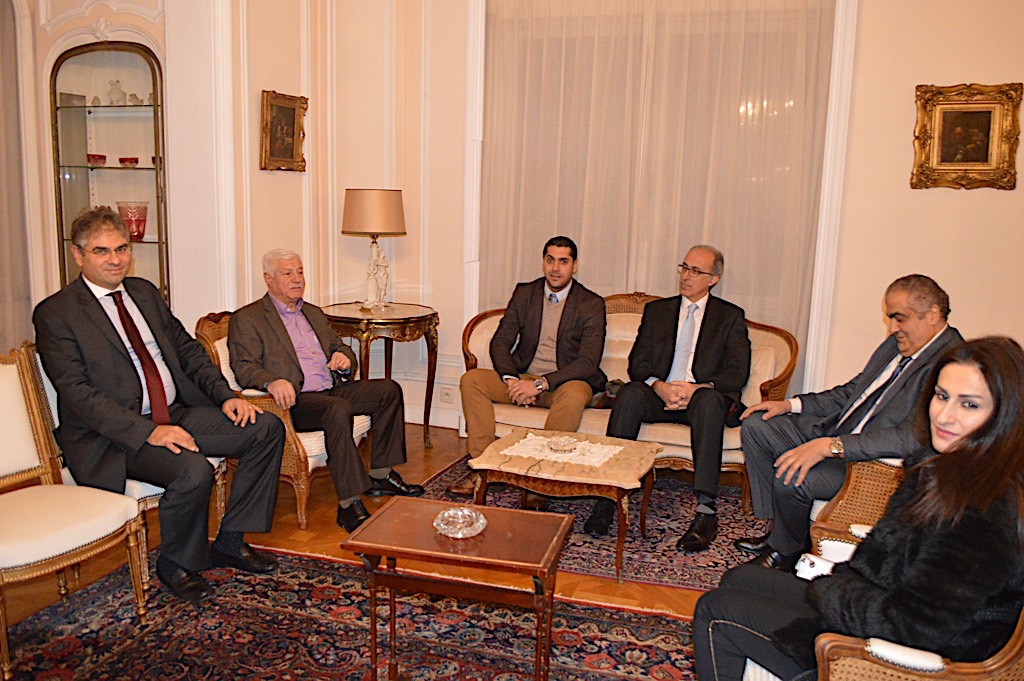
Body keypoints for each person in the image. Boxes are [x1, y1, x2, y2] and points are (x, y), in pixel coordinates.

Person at [693, 337, 1024, 681]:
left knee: (715, 611)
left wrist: (832, 589)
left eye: (969, 405)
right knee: (738, 579)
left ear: (1006, 413)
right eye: (942, 396)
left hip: (900, 660)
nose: (945, 415)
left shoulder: (988, 507)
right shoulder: (942, 468)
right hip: (880, 607)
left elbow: (914, 626)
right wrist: (840, 583)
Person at [33, 206, 285, 603]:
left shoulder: (144, 293)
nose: (115, 259)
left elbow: (188, 351)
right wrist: (150, 432)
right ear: (78, 255)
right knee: (193, 470)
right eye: (101, 251)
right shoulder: (57, 314)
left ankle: (230, 541)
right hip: (115, 437)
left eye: (121, 248)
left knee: (265, 428)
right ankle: (176, 564)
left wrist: (226, 397)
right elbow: (79, 394)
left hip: (175, 413)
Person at [735, 275, 963, 571]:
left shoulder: (951, 363)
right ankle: (781, 529)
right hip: (837, 434)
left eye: (899, 318)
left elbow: (911, 437)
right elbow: (852, 392)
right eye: (890, 318)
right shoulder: (896, 346)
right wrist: (790, 405)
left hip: (868, 464)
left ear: (932, 314)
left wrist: (831, 447)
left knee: (791, 476)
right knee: (757, 424)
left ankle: (785, 552)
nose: (892, 328)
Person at [229, 249, 423, 534]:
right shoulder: (248, 318)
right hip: (295, 401)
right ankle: (348, 504)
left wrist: (344, 358)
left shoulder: (313, 313)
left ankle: (380, 474)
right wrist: (271, 381)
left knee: (388, 390)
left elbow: (338, 346)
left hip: (331, 389)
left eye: (300, 272)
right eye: (287, 273)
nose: (297, 279)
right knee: (337, 410)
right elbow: (243, 367)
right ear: (268, 279)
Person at [584, 245, 750, 552]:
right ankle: (608, 495)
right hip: (660, 395)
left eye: (695, 271)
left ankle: (706, 511)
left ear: (713, 279)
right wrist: (659, 386)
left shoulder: (730, 317)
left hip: (700, 400)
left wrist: (696, 388)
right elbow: (637, 364)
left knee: (709, 402)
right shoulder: (658, 312)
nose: (686, 276)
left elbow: (737, 373)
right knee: (630, 393)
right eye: (684, 268)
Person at [451, 236, 607, 500]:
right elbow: (501, 341)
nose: (555, 268)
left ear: (575, 266)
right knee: (472, 380)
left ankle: (540, 478)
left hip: (564, 383)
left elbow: (588, 362)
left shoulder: (590, 303)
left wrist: (540, 384)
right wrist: (512, 381)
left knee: (574, 395)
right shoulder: (525, 293)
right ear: (543, 262)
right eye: (550, 260)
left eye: (563, 261)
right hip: (523, 376)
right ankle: (485, 467)